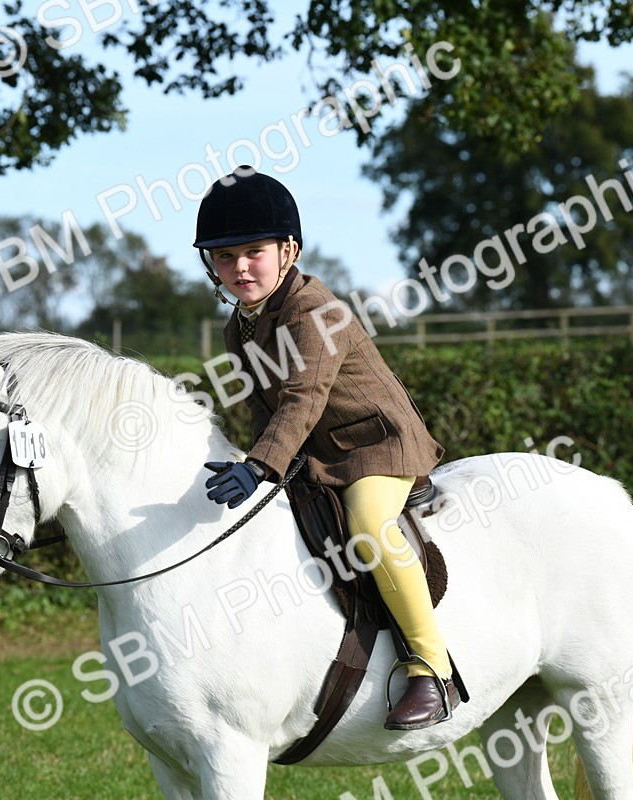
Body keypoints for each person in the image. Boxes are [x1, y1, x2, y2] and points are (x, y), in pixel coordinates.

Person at [196, 166, 458, 730]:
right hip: (317, 454)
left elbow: (303, 399)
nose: (238, 267)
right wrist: (253, 459)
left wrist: (261, 465)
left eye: (253, 252)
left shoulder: (315, 309)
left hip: (376, 447)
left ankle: (432, 669)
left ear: (288, 250)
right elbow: (265, 409)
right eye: (223, 257)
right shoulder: (239, 325)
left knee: (368, 525)